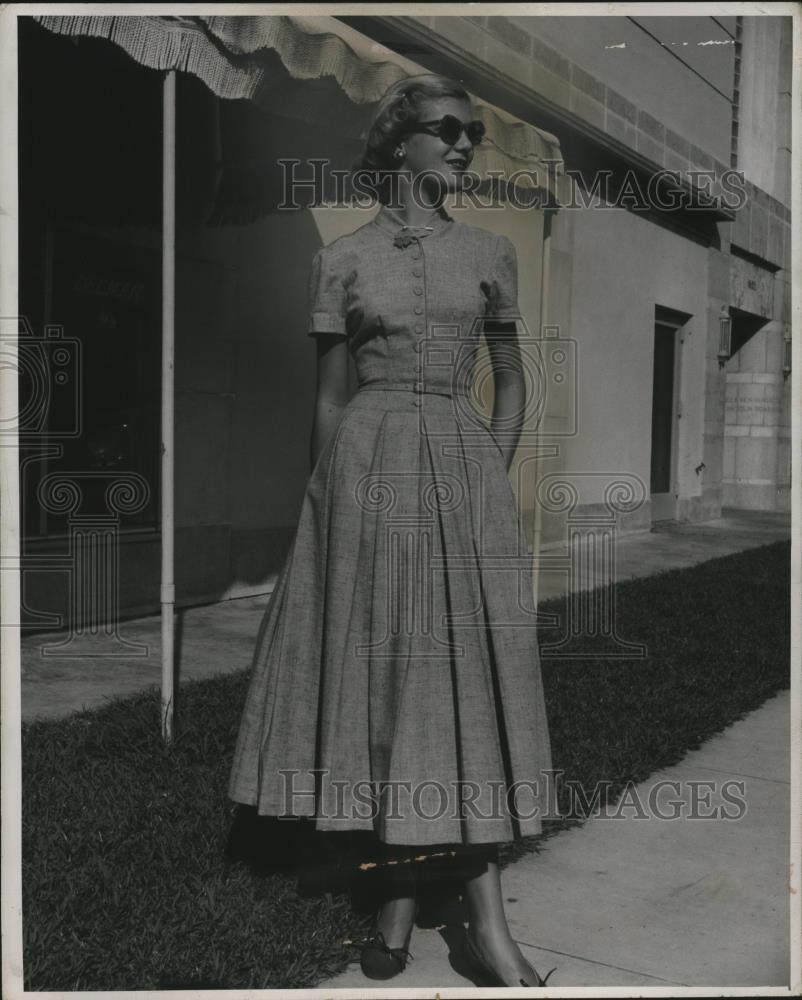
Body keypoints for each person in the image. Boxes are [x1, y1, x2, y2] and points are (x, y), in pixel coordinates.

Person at [228, 73, 554, 988]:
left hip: (459, 471)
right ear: (397, 143)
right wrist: (325, 509)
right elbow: (330, 399)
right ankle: (400, 902)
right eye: (445, 129)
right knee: (393, 682)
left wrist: (491, 463)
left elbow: (512, 377)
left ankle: (479, 925)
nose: (462, 144)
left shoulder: (491, 250)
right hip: (366, 472)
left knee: (455, 680)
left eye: (472, 132)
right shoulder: (343, 257)